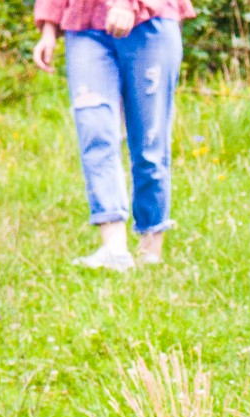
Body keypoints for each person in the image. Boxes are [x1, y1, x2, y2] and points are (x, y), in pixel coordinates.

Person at [32, 0, 194, 272]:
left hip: (149, 20)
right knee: (95, 131)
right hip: (85, 26)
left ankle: (150, 248)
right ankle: (114, 249)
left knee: (149, 142)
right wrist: (49, 27)